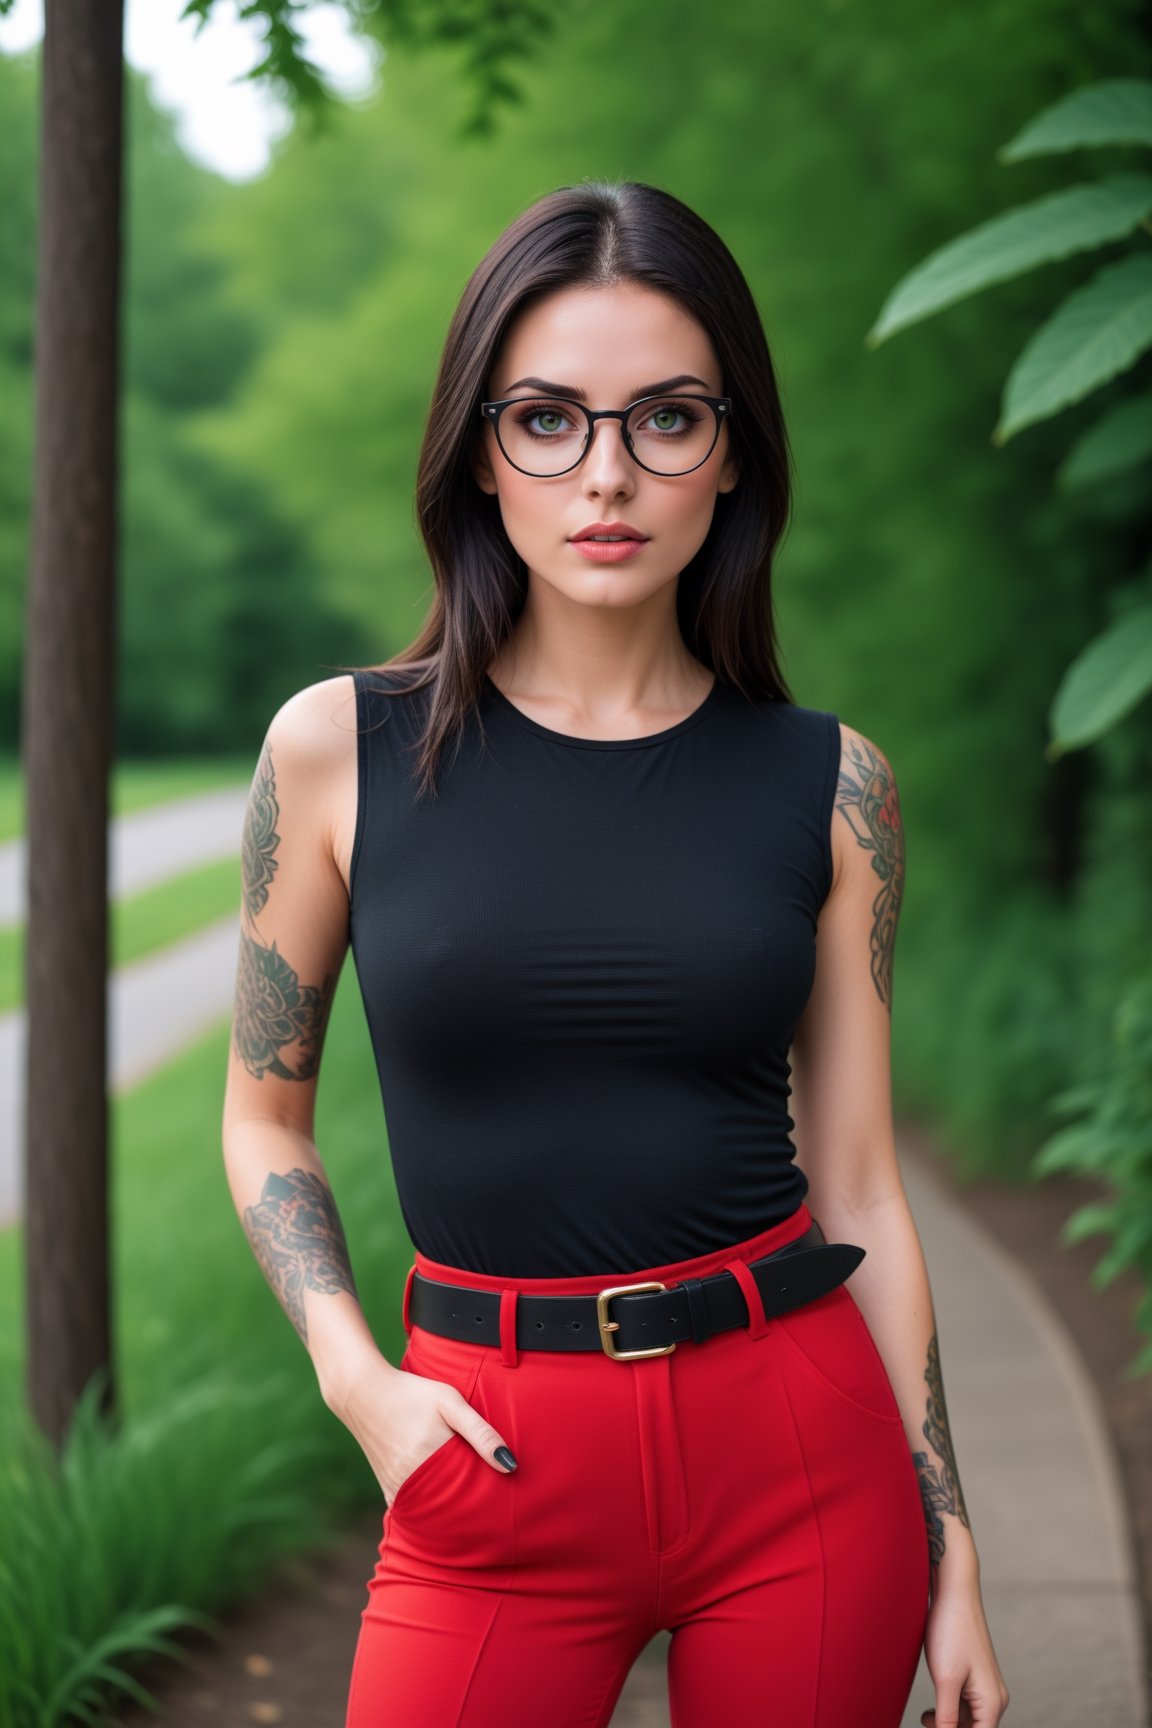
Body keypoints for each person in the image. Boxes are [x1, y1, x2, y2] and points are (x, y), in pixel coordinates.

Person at [221, 180, 1011, 1728]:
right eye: (547, 419)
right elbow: (264, 1116)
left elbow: (858, 1184)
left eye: (666, 418)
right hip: (485, 1455)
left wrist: (954, 1538)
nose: (608, 473)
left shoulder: (836, 783)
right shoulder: (337, 752)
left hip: (798, 1452)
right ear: (478, 451)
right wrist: (353, 1379)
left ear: (733, 457)